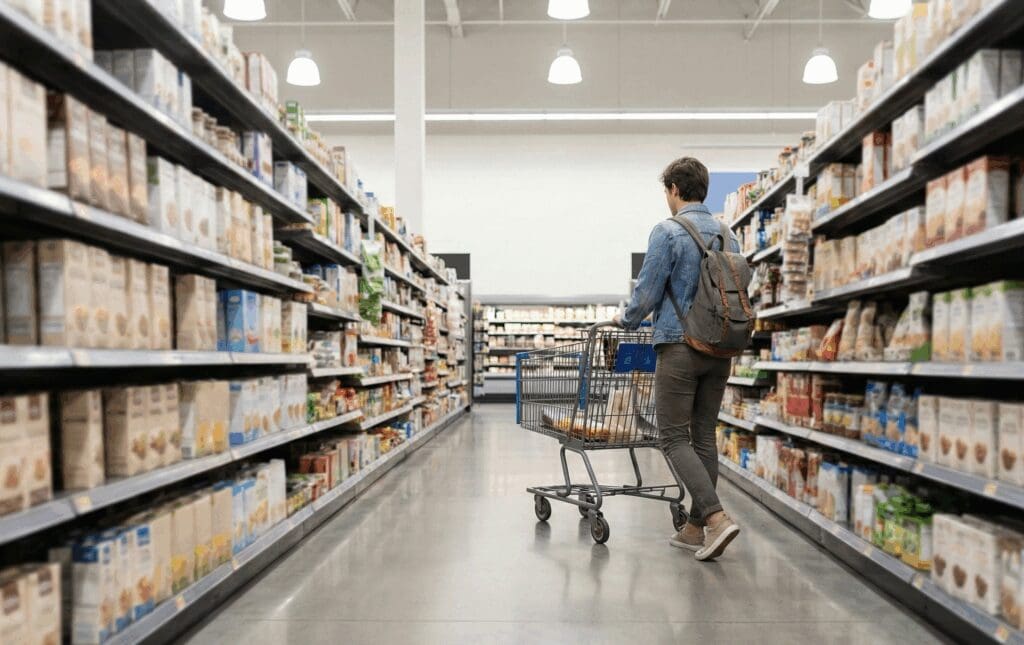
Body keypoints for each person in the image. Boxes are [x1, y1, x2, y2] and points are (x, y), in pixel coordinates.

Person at [615, 156, 742, 562]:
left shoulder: (668, 231)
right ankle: (693, 528)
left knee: (672, 437)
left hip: (679, 346)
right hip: (719, 348)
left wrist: (627, 320)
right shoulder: (728, 234)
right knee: (703, 435)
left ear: (673, 189)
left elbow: (648, 291)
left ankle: (717, 519)